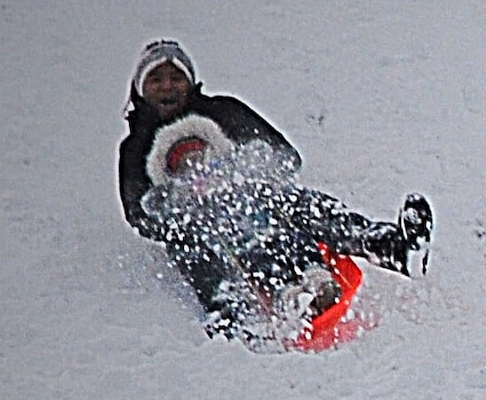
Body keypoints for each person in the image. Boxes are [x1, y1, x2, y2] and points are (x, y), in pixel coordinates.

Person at [116, 39, 432, 341]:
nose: (168, 86)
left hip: (253, 203)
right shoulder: (136, 147)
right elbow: (139, 215)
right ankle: (229, 313)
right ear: (141, 89)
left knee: (295, 201)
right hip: (201, 225)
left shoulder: (222, 112)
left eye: (176, 77)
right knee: (189, 240)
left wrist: (249, 168)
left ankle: (390, 247)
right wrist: (175, 206)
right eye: (156, 79)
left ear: (190, 81)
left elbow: (284, 156)